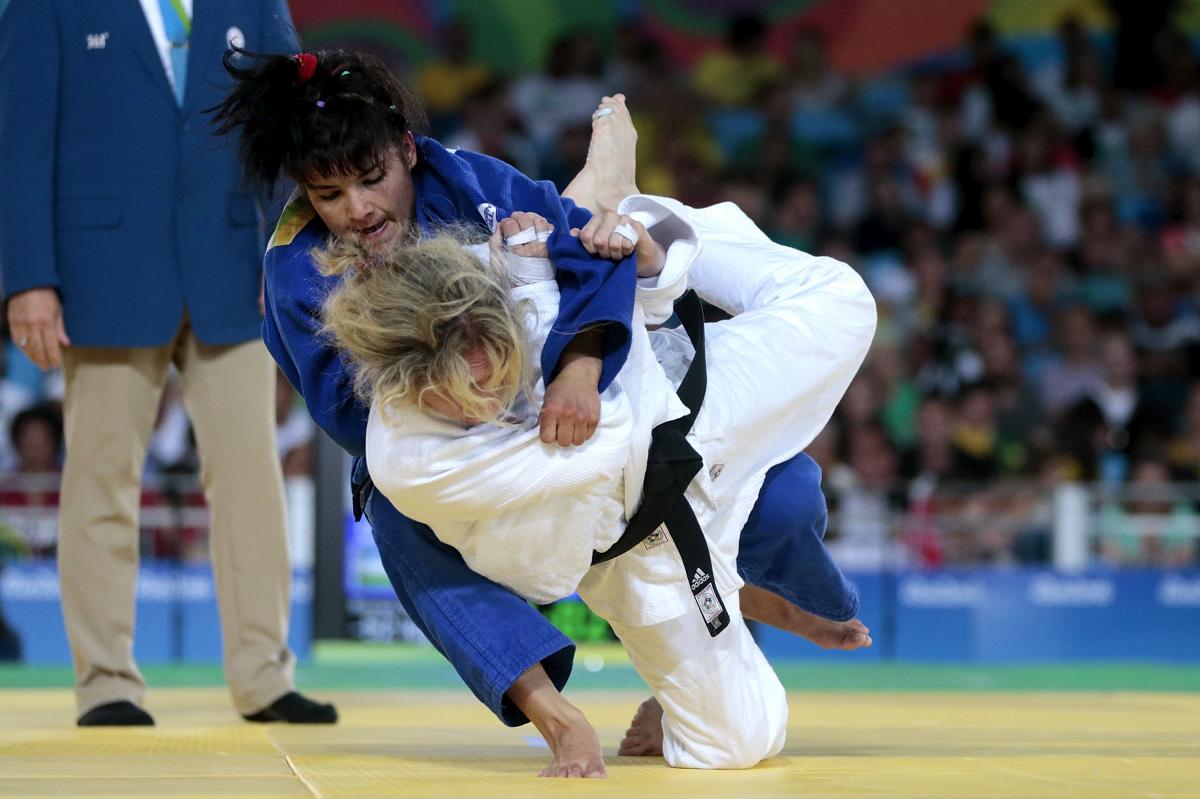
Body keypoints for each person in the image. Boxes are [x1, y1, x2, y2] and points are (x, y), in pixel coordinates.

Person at [213, 48, 868, 776]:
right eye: (330, 196)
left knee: (782, 494)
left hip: (587, 376)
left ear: (407, 149)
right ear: (305, 194)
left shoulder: (465, 178)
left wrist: (580, 367)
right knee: (396, 505)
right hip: (449, 428)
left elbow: (589, 263)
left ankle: (625, 218)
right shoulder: (300, 269)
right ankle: (553, 712)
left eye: (372, 181)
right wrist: (496, 340)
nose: (358, 211)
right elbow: (359, 418)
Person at [324, 192, 877, 769]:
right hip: (636, 547)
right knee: (740, 743)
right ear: (407, 387)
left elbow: (628, 290)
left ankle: (643, 218)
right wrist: (542, 292)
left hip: (691, 408)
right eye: (466, 396)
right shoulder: (408, 459)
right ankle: (741, 596)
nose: (490, 399)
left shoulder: (490, 272)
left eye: (500, 371)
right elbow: (607, 438)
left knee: (842, 299)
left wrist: (635, 254)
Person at [0, 0, 334, 726]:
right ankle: (106, 681)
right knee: (100, 476)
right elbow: (17, 139)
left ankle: (264, 675)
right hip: (103, 267)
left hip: (233, 264)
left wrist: (284, 254)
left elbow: (292, 128)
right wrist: (28, 277)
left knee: (251, 475)